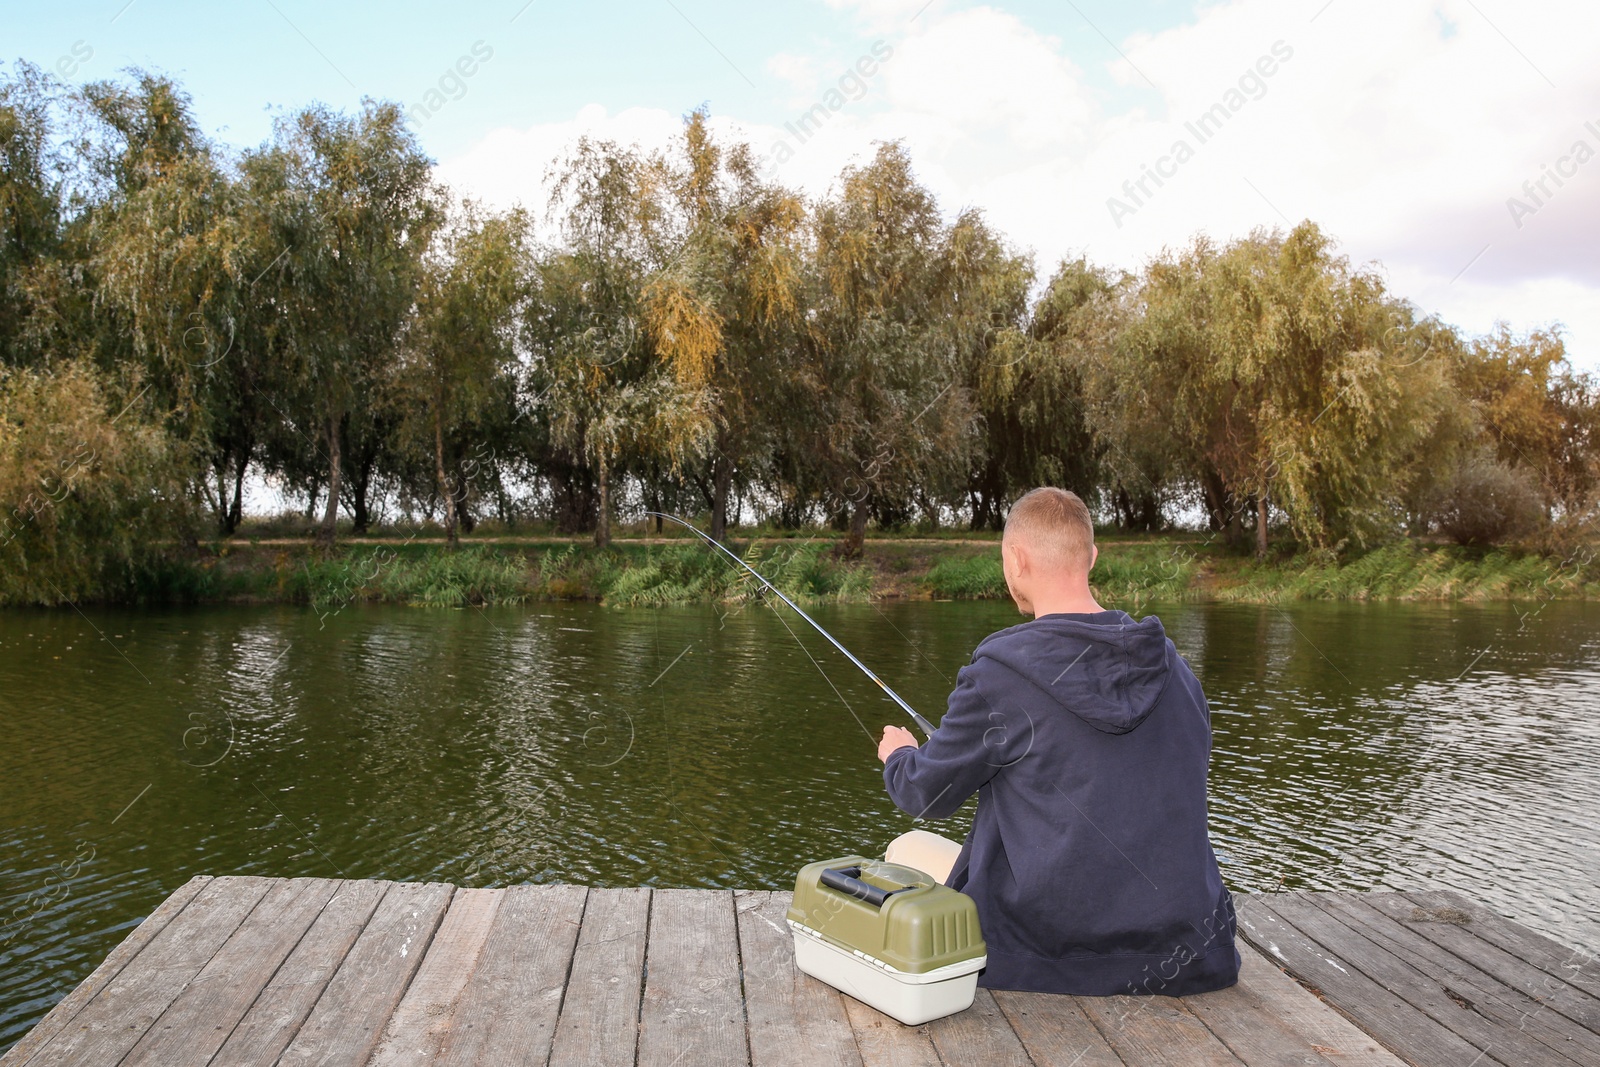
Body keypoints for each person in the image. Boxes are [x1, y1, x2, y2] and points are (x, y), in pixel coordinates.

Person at [877, 487, 1240, 997]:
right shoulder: (1177, 672)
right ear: (1091, 556)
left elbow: (925, 795)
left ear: (1014, 559)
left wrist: (900, 756)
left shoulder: (998, 677)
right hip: (1190, 954)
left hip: (1042, 953)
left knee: (905, 847)